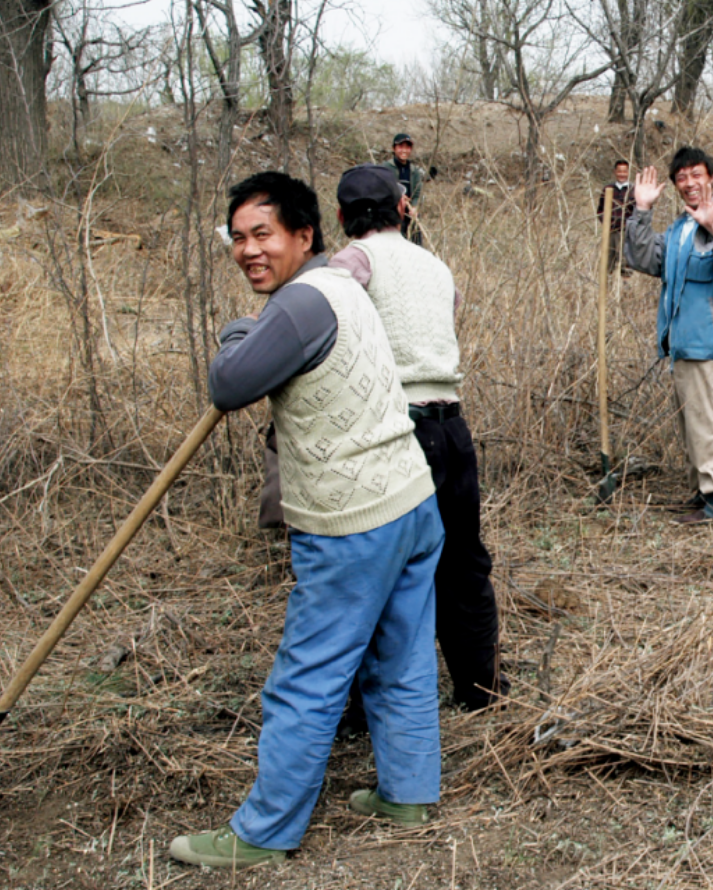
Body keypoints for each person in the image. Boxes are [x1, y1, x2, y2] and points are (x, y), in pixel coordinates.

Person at [170, 172, 443, 869]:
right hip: (411, 500)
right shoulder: (344, 286)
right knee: (402, 655)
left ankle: (264, 833)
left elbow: (229, 381)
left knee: (308, 674)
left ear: (304, 235)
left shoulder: (299, 305)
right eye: (237, 238)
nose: (247, 250)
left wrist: (243, 331)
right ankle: (409, 793)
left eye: (262, 234)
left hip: (355, 522)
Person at [328, 163, 505, 718]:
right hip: (453, 427)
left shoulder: (349, 263)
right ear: (403, 209)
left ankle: (361, 707)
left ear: (340, 217)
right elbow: (448, 318)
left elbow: (331, 327)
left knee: (375, 567)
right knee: (463, 562)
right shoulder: (436, 266)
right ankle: (480, 689)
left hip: (395, 430)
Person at [626, 146, 713, 525]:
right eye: (681, 177)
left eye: (696, 175)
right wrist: (642, 210)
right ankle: (702, 495)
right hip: (682, 345)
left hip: (710, 344)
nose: (689, 183)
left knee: (709, 422)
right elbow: (641, 257)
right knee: (691, 425)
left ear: (711, 177)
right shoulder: (679, 228)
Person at [382, 133, 425, 244]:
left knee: (416, 247)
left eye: (407, 147)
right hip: (392, 215)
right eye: (401, 147)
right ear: (394, 148)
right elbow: (380, 189)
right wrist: (397, 198)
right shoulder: (385, 168)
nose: (404, 150)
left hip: (410, 214)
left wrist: (414, 207)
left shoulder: (414, 171)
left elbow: (417, 192)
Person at [597, 159, 635, 277]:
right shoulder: (608, 189)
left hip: (627, 231)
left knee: (626, 262)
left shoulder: (633, 190)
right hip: (611, 231)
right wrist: (607, 224)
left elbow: (638, 212)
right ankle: (607, 289)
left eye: (624, 171)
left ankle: (625, 291)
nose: (622, 174)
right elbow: (600, 210)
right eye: (619, 171)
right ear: (615, 172)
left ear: (628, 172)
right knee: (608, 261)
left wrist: (631, 226)